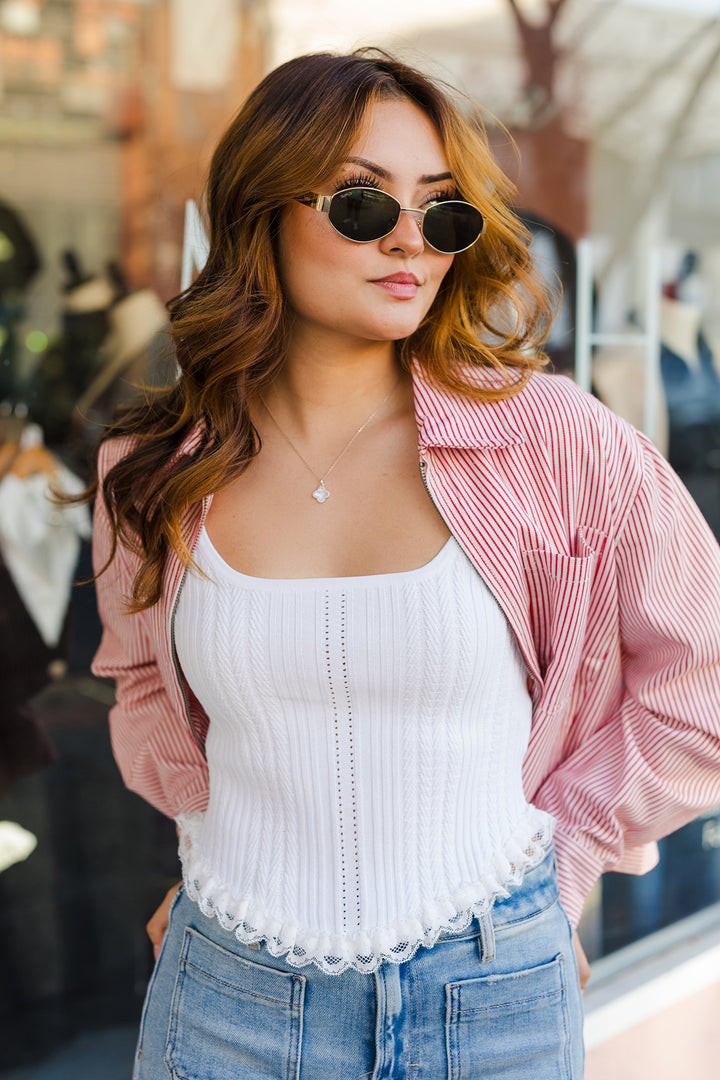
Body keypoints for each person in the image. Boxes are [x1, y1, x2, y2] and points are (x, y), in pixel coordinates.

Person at [89, 49, 720, 1079]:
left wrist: (565, 861)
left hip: (494, 998)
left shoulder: (552, 442)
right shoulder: (153, 471)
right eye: (360, 203)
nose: (409, 240)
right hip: (226, 1000)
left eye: (445, 212)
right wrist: (209, 853)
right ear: (261, 212)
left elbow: (704, 679)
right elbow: (143, 683)